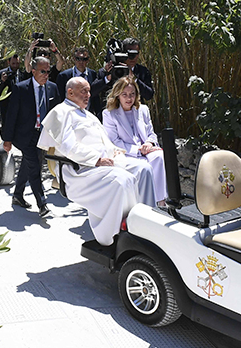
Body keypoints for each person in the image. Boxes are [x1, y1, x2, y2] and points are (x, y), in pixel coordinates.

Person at [38, 77, 157, 245]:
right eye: (83, 91)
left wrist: (115, 153)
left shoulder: (86, 114)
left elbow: (104, 141)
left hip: (103, 162)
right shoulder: (61, 112)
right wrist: (97, 160)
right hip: (80, 169)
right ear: (70, 93)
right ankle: (121, 234)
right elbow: (68, 147)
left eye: (88, 91)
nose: (88, 95)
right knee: (123, 180)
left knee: (143, 169)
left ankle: (147, 224)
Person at [1, 56, 61, 216]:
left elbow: (57, 114)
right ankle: (42, 204)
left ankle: (18, 195)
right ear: (33, 71)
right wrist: (7, 139)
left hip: (42, 136)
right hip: (24, 135)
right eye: (43, 71)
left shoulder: (52, 88)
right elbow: (11, 115)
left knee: (28, 165)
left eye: (48, 71)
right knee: (35, 168)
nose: (46, 74)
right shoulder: (21, 89)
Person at [102, 76, 167, 205]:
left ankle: (160, 201)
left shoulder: (143, 110)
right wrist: (138, 150)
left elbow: (151, 133)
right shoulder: (109, 114)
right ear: (117, 95)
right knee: (145, 166)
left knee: (159, 156)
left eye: (132, 94)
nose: (129, 98)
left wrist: (149, 143)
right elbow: (114, 142)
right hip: (127, 153)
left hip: (146, 150)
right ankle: (145, 203)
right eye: (124, 94)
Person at [0, 54, 26, 126]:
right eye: (13, 63)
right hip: (6, 106)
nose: (15, 66)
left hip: (19, 106)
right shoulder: (1, 73)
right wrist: (2, 81)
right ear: (8, 62)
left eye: (17, 63)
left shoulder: (21, 74)